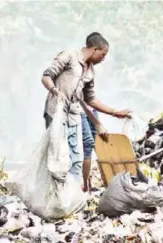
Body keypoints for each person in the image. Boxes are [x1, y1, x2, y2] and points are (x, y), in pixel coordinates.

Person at [41, 32, 131, 183]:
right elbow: (46, 76)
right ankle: (53, 191)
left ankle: (74, 192)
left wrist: (115, 113)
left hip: (74, 115)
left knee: (76, 155)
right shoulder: (69, 56)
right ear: (94, 49)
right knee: (57, 153)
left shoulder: (90, 71)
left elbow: (90, 99)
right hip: (56, 113)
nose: (104, 59)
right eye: (103, 54)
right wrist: (55, 91)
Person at [81, 106, 99, 192]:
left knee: (95, 144)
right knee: (88, 145)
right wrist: (114, 113)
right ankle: (86, 184)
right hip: (80, 110)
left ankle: (88, 183)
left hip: (92, 109)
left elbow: (91, 97)